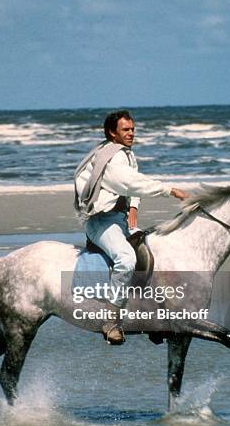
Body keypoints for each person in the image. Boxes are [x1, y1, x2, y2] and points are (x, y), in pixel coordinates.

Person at [74, 110, 189, 344]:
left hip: (120, 219)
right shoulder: (111, 157)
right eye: (125, 130)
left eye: (133, 129)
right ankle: (110, 321)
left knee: (155, 251)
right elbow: (129, 182)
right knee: (126, 258)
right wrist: (170, 190)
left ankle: (152, 316)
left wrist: (134, 207)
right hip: (101, 221)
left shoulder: (125, 154)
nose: (131, 133)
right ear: (112, 133)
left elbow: (132, 185)